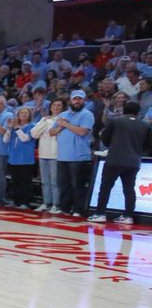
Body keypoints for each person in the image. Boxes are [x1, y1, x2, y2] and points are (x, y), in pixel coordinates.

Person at [89, 101, 152, 224]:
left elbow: (105, 139)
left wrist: (113, 146)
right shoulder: (145, 126)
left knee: (105, 188)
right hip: (134, 161)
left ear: (123, 110)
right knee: (129, 189)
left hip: (114, 159)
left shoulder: (116, 121)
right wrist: (137, 151)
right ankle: (128, 216)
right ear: (138, 112)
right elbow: (148, 145)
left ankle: (100, 214)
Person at [52, 89, 95, 217]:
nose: (77, 101)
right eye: (75, 99)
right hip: (63, 156)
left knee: (78, 185)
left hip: (79, 156)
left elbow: (83, 132)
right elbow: (51, 132)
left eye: (80, 99)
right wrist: (61, 126)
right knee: (63, 184)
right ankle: (64, 208)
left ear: (84, 101)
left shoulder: (87, 114)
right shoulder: (63, 114)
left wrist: (66, 125)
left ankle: (78, 209)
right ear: (70, 100)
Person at [31, 97, 63, 212]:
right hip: (43, 153)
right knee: (45, 181)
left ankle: (56, 204)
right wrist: (45, 121)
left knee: (55, 181)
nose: (56, 107)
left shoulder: (64, 119)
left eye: (59, 105)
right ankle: (46, 202)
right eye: (54, 105)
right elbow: (34, 134)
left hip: (56, 154)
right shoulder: (44, 119)